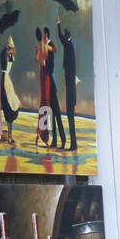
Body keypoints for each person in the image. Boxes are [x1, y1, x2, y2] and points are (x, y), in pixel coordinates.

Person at [56, 15, 76, 151]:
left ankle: (73, 144)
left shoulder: (68, 45)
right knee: (70, 118)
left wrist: (58, 23)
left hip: (71, 94)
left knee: (70, 117)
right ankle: (73, 144)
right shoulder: (70, 45)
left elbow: (60, 37)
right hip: (71, 93)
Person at [0, 37, 17, 145]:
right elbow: (5, 54)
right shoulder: (4, 53)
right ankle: (9, 136)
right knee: (8, 106)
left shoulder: (9, 55)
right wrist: (10, 50)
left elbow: (11, 58)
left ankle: (10, 135)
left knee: (11, 106)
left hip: (7, 81)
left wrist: (11, 52)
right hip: (5, 81)